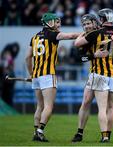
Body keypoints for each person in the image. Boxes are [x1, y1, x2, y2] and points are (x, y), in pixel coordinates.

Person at [74, 8, 113, 143]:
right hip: (112, 74)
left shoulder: (95, 35)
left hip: (100, 74)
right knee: (88, 102)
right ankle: (81, 133)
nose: (87, 26)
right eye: (84, 25)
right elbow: (81, 58)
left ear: (98, 21)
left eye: (89, 23)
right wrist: (94, 55)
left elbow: (76, 45)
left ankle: (111, 136)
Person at [25, 12, 80, 142]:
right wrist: (88, 34)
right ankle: (40, 132)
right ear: (49, 23)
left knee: (40, 106)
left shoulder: (34, 38)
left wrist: (32, 74)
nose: (59, 24)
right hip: (48, 75)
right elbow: (71, 36)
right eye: (56, 22)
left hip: (37, 75)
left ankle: (35, 132)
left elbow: (27, 58)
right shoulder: (53, 35)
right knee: (48, 106)